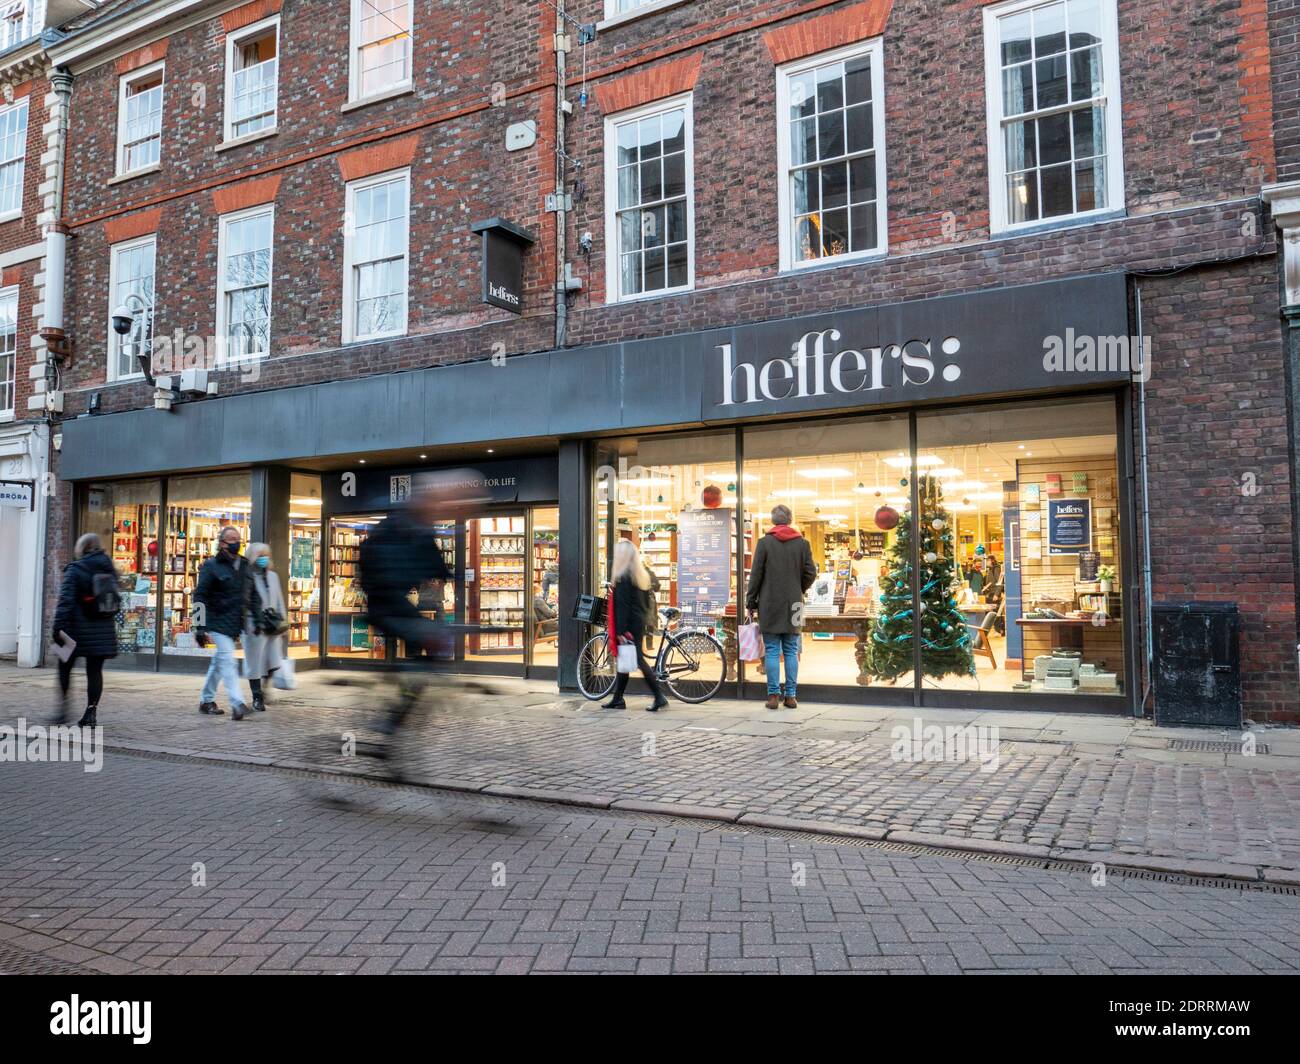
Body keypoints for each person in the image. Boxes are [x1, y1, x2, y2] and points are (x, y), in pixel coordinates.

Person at [359, 470, 476, 737]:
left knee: (433, 645)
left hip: (399, 603)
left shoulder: (421, 529)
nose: (437, 508)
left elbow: (437, 566)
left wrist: (458, 578)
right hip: (384, 603)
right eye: (436, 503)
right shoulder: (400, 525)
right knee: (432, 641)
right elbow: (380, 564)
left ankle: (406, 690)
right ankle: (395, 712)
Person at [745, 504, 816, 709]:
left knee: (773, 650)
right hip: (795, 604)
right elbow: (811, 572)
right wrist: (798, 588)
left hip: (769, 603)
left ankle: (773, 696)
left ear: (773, 520)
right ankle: (791, 696)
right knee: (792, 650)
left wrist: (751, 601)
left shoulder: (764, 543)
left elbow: (756, 575)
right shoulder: (803, 544)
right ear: (791, 519)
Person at [51, 533, 120, 728]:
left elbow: (65, 602)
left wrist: (58, 629)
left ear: (82, 548)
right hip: (102, 630)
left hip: (75, 630)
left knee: (64, 667)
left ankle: (62, 710)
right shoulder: (109, 568)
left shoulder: (75, 569)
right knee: (95, 671)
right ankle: (91, 713)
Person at [602, 540, 669, 713]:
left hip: (628, 626)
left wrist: (621, 631)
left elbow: (623, 606)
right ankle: (618, 698)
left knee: (637, 659)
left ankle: (659, 696)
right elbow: (645, 603)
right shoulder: (640, 576)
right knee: (624, 661)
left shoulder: (623, 577)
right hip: (637, 623)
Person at [194, 526, 252, 721]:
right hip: (217, 620)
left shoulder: (244, 565)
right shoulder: (211, 566)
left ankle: (206, 700)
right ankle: (237, 702)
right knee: (228, 659)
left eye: (238, 538)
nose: (236, 542)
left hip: (235, 621)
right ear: (222, 543)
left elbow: (250, 593)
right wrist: (200, 627)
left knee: (220, 661)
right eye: (231, 539)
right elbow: (200, 596)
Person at [242, 543, 286, 713]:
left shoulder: (273, 576)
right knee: (254, 663)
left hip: (272, 624)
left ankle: (265, 688)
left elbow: (279, 599)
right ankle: (257, 697)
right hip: (255, 625)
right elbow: (245, 602)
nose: (263, 558)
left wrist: (284, 622)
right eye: (259, 555)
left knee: (272, 661)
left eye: (266, 554)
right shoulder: (249, 576)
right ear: (252, 557)